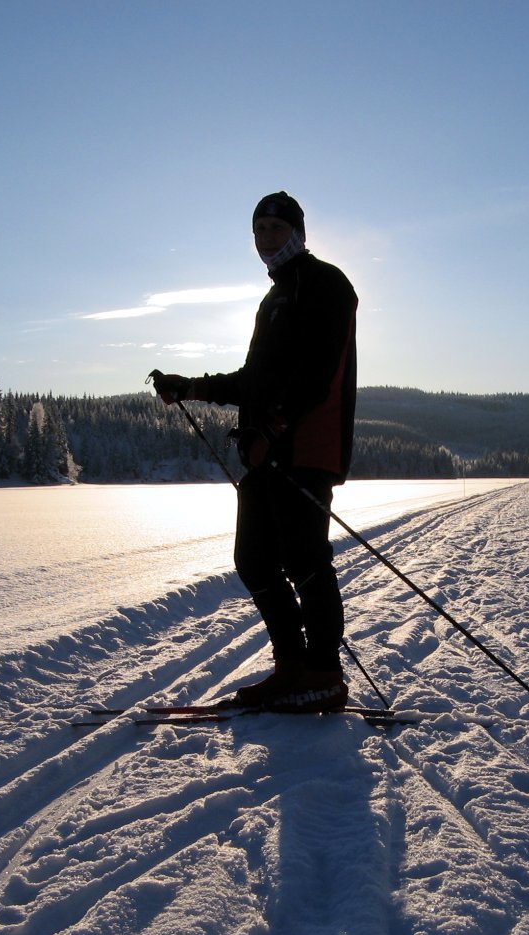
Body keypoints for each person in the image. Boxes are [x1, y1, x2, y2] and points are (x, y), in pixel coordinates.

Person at [150, 191, 358, 712]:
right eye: (258, 229)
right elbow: (255, 380)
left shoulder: (325, 283)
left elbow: (316, 373)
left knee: (305, 558)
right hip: (265, 451)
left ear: (298, 231)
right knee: (255, 559)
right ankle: (291, 667)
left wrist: (274, 426)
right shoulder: (273, 299)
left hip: (308, 447)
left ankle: (325, 674)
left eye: (275, 226)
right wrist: (192, 387)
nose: (265, 237)